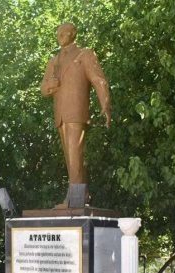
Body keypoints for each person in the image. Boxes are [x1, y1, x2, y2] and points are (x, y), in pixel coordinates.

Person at [40, 22, 112, 207]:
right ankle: (80, 194)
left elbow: (98, 80)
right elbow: (43, 88)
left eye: (63, 32)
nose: (60, 36)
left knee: (75, 154)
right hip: (61, 115)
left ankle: (75, 198)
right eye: (58, 33)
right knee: (71, 157)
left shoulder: (84, 55)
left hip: (76, 111)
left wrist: (105, 102)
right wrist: (51, 86)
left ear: (73, 33)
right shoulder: (54, 61)